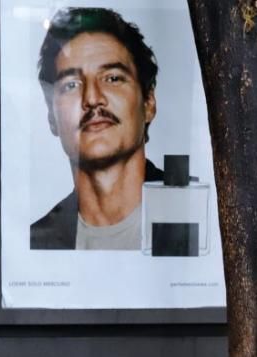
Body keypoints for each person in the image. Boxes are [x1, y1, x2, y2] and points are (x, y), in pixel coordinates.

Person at [30, 7, 162, 250]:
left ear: (149, 102)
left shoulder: (193, 216)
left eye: (112, 78)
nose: (92, 98)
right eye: (71, 84)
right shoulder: (38, 241)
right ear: (51, 115)